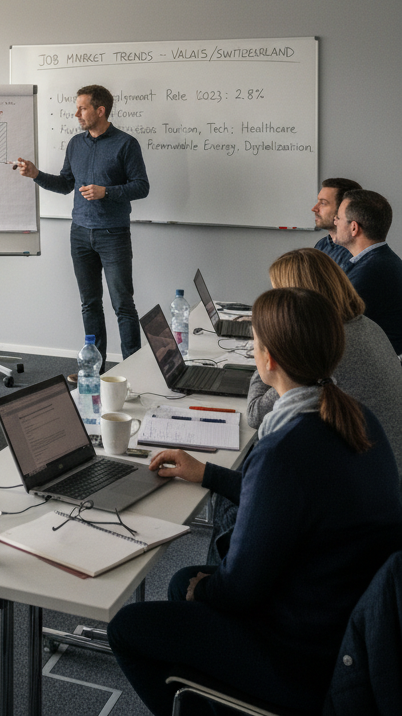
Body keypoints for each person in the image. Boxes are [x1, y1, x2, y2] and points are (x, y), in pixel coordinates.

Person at [107, 287, 402, 716]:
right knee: (181, 582)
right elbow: (287, 504)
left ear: (268, 360)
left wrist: (204, 591)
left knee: (128, 629)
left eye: (256, 344)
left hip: (304, 656)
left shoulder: (285, 449)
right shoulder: (355, 417)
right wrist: (206, 473)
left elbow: (241, 588)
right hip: (344, 617)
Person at [16, 84, 149, 360]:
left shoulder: (126, 144)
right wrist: (36, 174)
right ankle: (95, 367)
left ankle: (133, 368)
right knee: (89, 304)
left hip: (113, 234)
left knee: (123, 304)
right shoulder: (76, 143)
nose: (76, 113)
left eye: (82, 108)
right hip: (80, 234)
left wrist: (107, 192)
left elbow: (141, 187)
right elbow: (66, 184)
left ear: (100, 110)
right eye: (77, 107)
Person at [247, 249, 402, 471]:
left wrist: (267, 340)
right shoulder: (365, 325)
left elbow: (256, 413)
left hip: (363, 483)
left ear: (298, 300)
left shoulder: (324, 347)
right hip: (379, 474)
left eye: (277, 295)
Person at [334, 188, 402, 353]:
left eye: (339, 218)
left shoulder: (372, 271)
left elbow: (332, 328)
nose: (335, 222)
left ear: (354, 228)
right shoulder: (379, 260)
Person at [311, 176, 360, 266]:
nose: (314, 209)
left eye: (323, 203)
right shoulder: (322, 244)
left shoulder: (354, 252)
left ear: (343, 208)